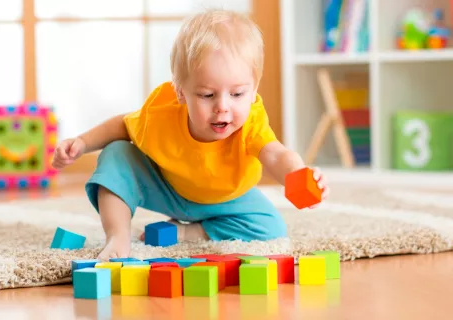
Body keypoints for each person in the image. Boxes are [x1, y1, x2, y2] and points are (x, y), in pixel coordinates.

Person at [52, 9, 329, 260]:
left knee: (272, 227)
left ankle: (190, 232)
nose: (223, 106)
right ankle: (118, 237)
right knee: (116, 152)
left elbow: (276, 154)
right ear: (181, 91)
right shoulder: (163, 112)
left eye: (237, 94)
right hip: (166, 188)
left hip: (226, 200)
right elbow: (124, 125)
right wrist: (83, 142)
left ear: (253, 89)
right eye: (207, 94)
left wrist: (298, 174)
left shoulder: (251, 122)